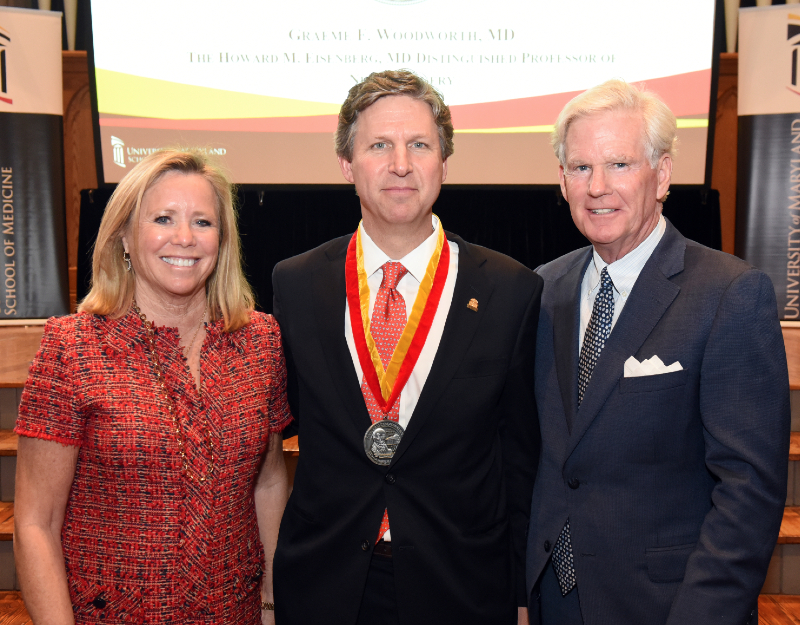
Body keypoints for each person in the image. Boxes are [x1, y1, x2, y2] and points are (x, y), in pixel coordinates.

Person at [272, 69, 543, 625]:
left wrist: (521, 597)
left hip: (461, 587)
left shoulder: (510, 288)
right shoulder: (296, 284)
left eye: (419, 145)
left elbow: (520, 458)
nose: (401, 164)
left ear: (444, 162)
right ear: (347, 164)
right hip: (326, 585)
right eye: (379, 146)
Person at [525, 79, 790, 625]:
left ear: (662, 174)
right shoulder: (543, 289)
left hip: (667, 607)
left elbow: (748, 492)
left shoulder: (729, 294)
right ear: (562, 180)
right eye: (580, 167)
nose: (598, 186)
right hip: (554, 600)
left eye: (619, 164)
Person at [13, 149, 292, 624]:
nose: (184, 237)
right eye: (163, 218)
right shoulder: (73, 347)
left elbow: (268, 483)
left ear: (222, 240)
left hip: (235, 612)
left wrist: (270, 604)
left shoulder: (260, 341)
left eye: (203, 222)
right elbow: (36, 524)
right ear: (124, 235)